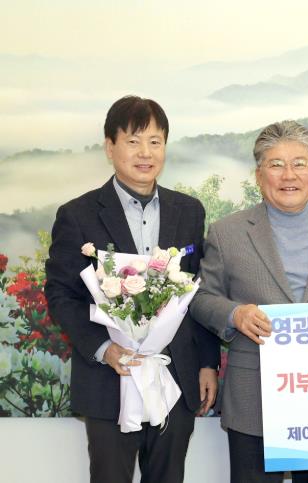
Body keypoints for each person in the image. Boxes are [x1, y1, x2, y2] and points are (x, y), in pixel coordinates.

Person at [44, 95, 220, 483]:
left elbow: (199, 292)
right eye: (133, 141)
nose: (145, 153)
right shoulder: (78, 215)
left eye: (155, 142)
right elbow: (61, 295)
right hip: (110, 379)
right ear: (110, 147)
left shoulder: (188, 211)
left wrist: (208, 363)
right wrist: (103, 349)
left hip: (174, 377)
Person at [190, 120, 308, 483]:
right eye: (276, 164)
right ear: (259, 175)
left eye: (300, 163)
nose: (289, 175)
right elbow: (201, 298)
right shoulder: (227, 232)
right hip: (253, 397)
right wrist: (235, 314)